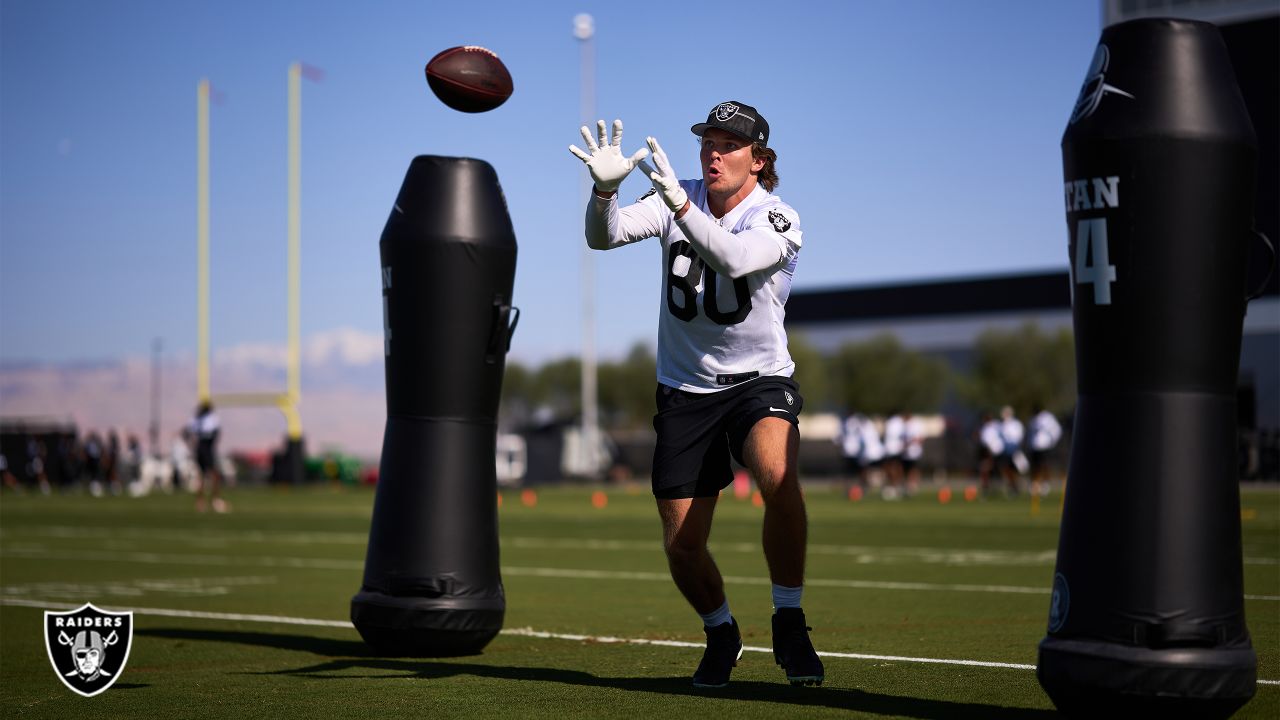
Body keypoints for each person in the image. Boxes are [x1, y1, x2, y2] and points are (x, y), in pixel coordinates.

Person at [570, 101, 823, 688]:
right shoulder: (673, 193)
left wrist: (680, 205)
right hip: (685, 388)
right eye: (708, 140)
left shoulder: (778, 216)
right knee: (683, 545)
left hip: (759, 379)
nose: (713, 151)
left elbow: (733, 258)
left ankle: (789, 620)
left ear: (758, 161)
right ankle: (721, 631)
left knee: (777, 477)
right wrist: (604, 193)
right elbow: (602, 239)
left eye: (729, 144)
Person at [192, 402, 229, 513]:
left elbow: (189, 432)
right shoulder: (211, 419)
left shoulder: (196, 419)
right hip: (207, 449)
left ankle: (200, 501)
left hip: (199, 448)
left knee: (202, 475)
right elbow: (216, 433)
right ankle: (215, 500)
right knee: (214, 474)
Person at [1027, 405, 1063, 496]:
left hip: (1045, 446)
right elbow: (1031, 433)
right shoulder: (1033, 419)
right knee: (1035, 466)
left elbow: (1057, 430)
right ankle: (1035, 485)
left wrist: (1052, 441)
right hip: (1034, 446)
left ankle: (1045, 484)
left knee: (1045, 465)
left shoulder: (1048, 418)